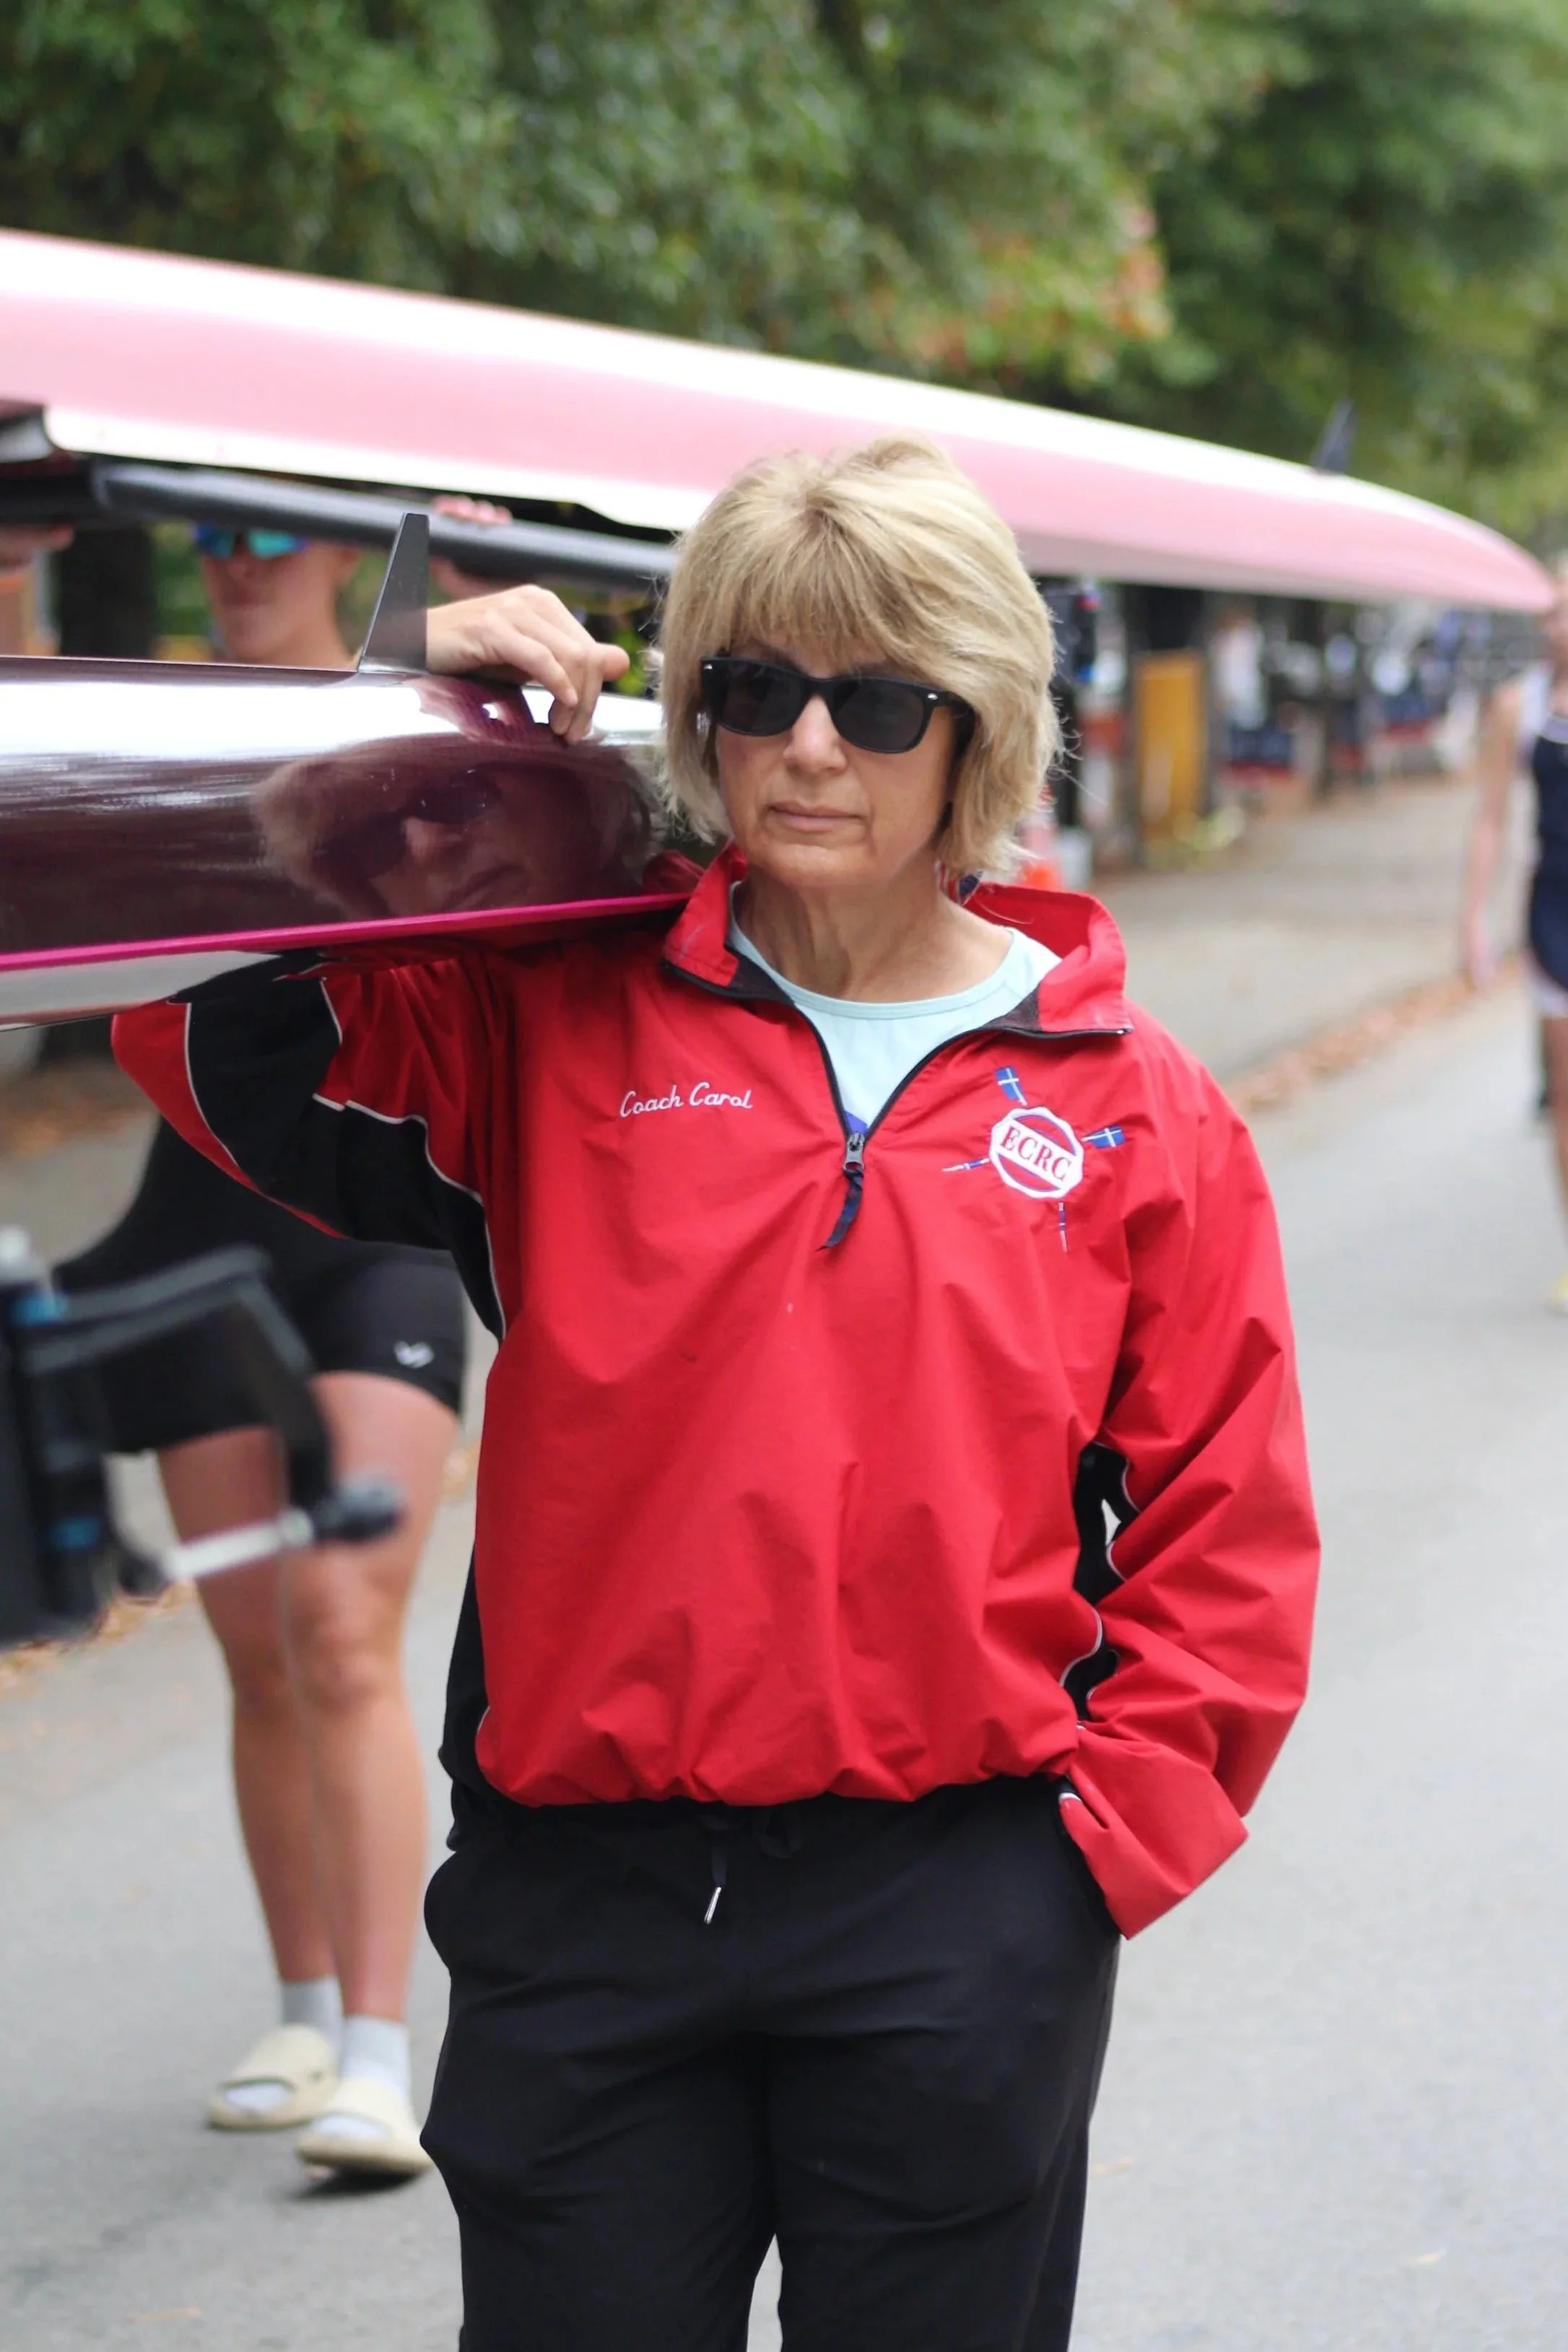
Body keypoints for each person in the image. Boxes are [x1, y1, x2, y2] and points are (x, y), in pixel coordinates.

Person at [117, 435, 1318, 2349]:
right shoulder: (547, 1010)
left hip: (956, 1917)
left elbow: (1227, 1540)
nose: (810, 748)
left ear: (978, 726)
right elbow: (223, 1032)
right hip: (587, 1914)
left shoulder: (1131, 1106)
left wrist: (1078, 1874)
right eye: (755, 691)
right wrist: (384, 715)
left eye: (878, 701)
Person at [59, 515, 474, 2180]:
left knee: (342, 1623)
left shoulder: (414, 717)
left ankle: (376, 2051)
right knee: (257, 1651)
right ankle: (303, 2011)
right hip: (200, 1227)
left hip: (373, 1225)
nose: (238, 566)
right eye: (211, 539)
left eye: (273, 537)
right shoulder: (145, 731)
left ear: (342, 560)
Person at [1462, 562, 1568, 1310]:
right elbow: (1491, 819)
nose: (1560, 625)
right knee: (1565, 1095)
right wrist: (1475, 918)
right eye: (1553, 610)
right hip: (1556, 909)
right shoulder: (1518, 705)